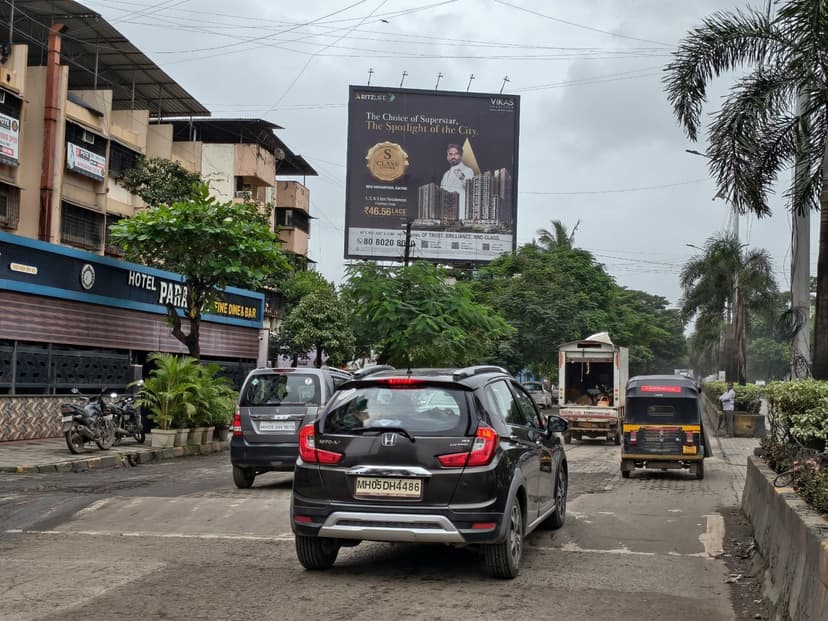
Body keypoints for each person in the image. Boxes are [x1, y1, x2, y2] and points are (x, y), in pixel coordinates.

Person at [439, 143, 474, 220]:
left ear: (461, 156)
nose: (453, 156)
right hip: (446, 212)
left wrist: (460, 174)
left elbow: (470, 187)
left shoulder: (467, 170)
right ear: (447, 157)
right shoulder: (446, 174)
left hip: (460, 213)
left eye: (456, 154)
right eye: (450, 154)